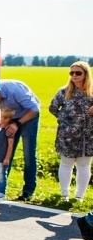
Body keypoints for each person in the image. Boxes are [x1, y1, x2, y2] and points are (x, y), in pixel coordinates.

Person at [48, 61, 93, 201]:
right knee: (66, 164)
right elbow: (53, 108)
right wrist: (64, 120)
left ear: (85, 74)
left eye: (78, 73)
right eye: (72, 72)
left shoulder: (91, 92)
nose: (74, 75)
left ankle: (79, 196)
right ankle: (64, 195)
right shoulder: (64, 91)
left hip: (87, 136)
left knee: (84, 166)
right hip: (67, 136)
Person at [0, 79, 41, 201]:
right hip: (10, 117)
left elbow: (35, 109)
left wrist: (17, 124)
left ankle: (28, 190)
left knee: (28, 153)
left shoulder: (15, 89)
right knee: (4, 151)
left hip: (29, 116)